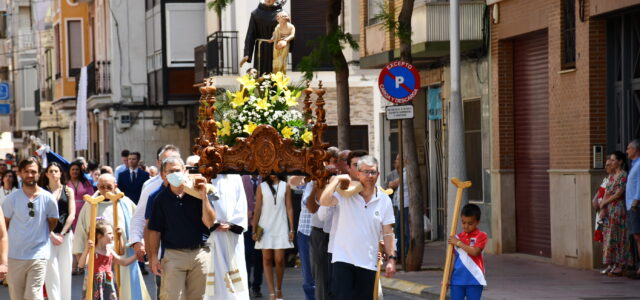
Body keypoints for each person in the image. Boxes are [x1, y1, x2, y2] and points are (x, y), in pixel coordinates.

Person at [319, 155, 396, 300]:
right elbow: (324, 201)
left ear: (378, 175)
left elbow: (388, 232)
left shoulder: (384, 199)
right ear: (358, 173)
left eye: (373, 172)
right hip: (343, 259)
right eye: (365, 172)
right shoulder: (345, 193)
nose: (370, 176)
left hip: (368, 262)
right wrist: (335, 181)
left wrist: (391, 259)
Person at [73, 174, 152, 300]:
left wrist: (141, 244)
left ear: (115, 186)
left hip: (123, 253)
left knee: (125, 292)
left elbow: (139, 223)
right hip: (97, 260)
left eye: (109, 186)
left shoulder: (125, 203)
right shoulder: (90, 205)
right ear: (97, 186)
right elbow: (81, 230)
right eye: (102, 187)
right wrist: (80, 253)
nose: (105, 190)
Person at [147, 157, 216, 300]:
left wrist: (204, 197)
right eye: (170, 171)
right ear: (164, 174)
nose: (175, 174)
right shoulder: (160, 199)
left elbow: (209, 222)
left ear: (184, 171)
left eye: (177, 170)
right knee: (172, 297)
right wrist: (153, 257)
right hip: (173, 255)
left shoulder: (198, 194)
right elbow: (155, 230)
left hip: (200, 254)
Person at [2, 157, 59, 300]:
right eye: (26, 171)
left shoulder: (48, 198)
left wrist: (39, 234)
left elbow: (53, 221)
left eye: (33, 171)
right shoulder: (11, 200)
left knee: (33, 295)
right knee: (17, 296)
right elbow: (4, 227)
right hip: (15, 256)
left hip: (39, 255)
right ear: (20, 173)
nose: (30, 175)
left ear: (39, 174)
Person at [129, 145, 181, 283]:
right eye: (166, 161)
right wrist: (136, 241)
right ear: (159, 163)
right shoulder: (151, 187)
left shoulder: (191, 186)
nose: (170, 165)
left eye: (174, 160)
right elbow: (140, 216)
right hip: (162, 253)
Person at [206, 171, 250, 300]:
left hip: (231, 235)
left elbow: (241, 203)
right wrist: (212, 224)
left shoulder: (235, 177)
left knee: (235, 272)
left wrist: (232, 225)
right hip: (211, 235)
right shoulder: (204, 175)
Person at [252, 175, 295, 300]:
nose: (272, 172)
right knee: (266, 258)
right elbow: (258, 208)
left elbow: (290, 208)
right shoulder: (262, 186)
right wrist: (254, 229)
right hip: (265, 226)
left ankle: (279, 288)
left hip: (281, 225)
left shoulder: (285, 185)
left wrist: (292, 229)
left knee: (280, 259)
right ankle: (272, 293)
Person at [40, 162, 75, 300]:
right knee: (51, 271)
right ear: (46, 174)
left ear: (61, 173)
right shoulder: (42, 192)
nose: (54, 173)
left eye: (56, 171)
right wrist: (52, 234)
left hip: (65, 235)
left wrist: (62, 233)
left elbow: (71, 214)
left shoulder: (68, 190)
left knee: (65, 270)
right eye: (51, 171)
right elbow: (41, 216)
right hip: (47, 236)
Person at [78, 219, 138, 300]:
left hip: (107, 283)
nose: (113, 235)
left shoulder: (109, 250)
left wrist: (137, 256)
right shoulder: (93, 250)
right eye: (109, 233)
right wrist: (86, 250)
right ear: (99, 236)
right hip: (94, 283)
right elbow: (81, 264)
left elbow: (123, 262)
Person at [447, 204, 488, 300]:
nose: (466, 226)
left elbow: (475, 252)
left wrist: (458, 243)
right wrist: (447, 278)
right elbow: (452, 260)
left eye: (470, 223)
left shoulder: (481, 236)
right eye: (463, 222)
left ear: (477, 222)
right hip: (457, 280)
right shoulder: (456, 237)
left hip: (475, 279)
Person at [599, 151, 629, 277]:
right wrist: (602, 207)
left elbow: (618, 194)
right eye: (610, 159)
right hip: (609, 209)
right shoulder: (612, 176)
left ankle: (620, 264)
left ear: (620, 161)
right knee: (608, 236)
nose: (610, 162)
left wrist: (605, 202)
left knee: (619, 236)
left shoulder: (623, 175)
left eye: (613, 159)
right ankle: (610, 263)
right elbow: (607, 191)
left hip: (618, 208)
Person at [240, 0, 283, 74]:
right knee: (260, 73)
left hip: (276, 48)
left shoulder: (282, 14)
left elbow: (286, 32)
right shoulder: (256, 13)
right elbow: (250, 34)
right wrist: (247, 53)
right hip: (260, 48)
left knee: (275, 75)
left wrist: (283, 41)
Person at [242, 175, 264, 297]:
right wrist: (249, 215)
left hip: (261, 225)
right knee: (246, 256)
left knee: (259, 258)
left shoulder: (264, 179)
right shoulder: (242, 179)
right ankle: (246, 287)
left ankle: (257, 287)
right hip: (246, 225)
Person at [626, 139, 640, 277]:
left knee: (638, 235)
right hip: (631, 204)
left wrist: (636, 200)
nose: (627, 151)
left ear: (635, 149)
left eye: (629, 148)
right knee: (636, 236)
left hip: (636, 205)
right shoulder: (634, 164)